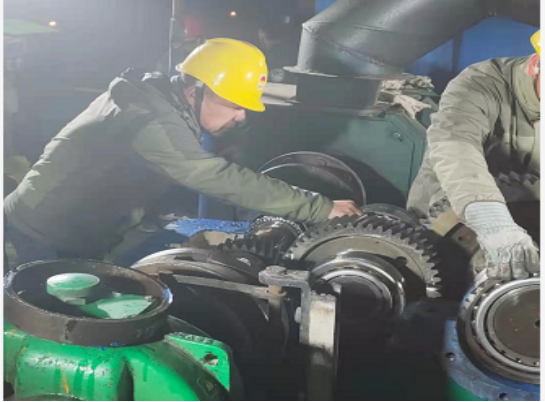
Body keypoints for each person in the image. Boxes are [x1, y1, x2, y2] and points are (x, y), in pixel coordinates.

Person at [5, 38, 361, 265]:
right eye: (233, 105)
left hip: (80, 234)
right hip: (36, 237)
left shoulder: (160, 100)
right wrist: (320, 207)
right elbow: (207, 174)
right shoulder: (148, 115)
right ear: (196, 89)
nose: (241, 116)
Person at [408, 30, 541, 282]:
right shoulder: (482, 83)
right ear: (536, 64)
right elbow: (455, 146)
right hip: (447, 225)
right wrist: (492, 222)